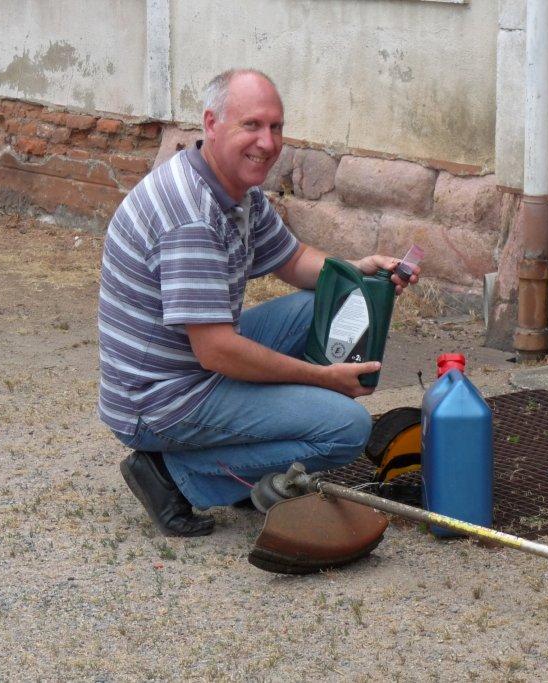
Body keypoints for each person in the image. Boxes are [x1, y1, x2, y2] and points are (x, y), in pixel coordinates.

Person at [98, 69, 419, 536]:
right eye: (251, 125)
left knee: (324, 305)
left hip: (189, 365)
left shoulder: (234, 190)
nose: (267, 143)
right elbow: (218, 352)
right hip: (159, 400)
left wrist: (358, 270)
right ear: (211, 124)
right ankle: (174, 476)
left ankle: (244, 463)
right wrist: (321, 379)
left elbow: (292, 260)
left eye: (275, 127)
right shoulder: (191, 217)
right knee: (347, 428)